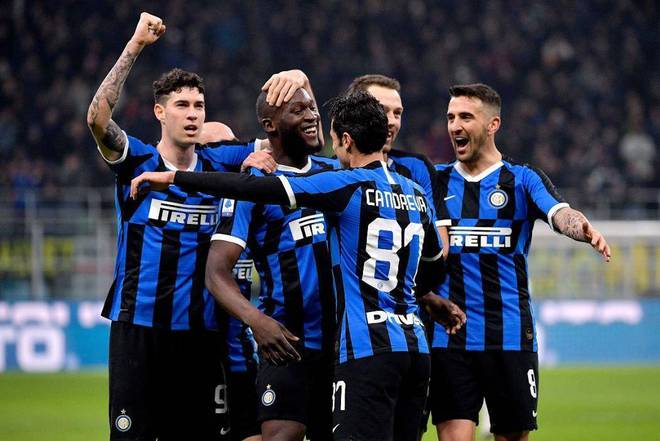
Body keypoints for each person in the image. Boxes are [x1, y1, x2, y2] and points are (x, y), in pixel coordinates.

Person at [130, 91, 466, 441]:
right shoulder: (415, 193)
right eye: (301, 110)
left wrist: (174, 178)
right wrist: (415, 294)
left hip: (358, 347)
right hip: (397, 346)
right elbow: (432, 266)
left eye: (326, 126)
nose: (314, 119)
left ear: (346, 141)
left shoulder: (340, 181)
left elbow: (252, 188)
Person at [86, 12, 273, 440]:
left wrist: (293, 82)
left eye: (199, 106)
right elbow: (97, 119)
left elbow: (283, 143)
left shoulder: (219, 161)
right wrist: (135, 44)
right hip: (139, 329)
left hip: (200, 335)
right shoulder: (138, 161)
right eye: (181, 106)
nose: (192, 115)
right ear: (159, 112)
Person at [430, 83, 611, 441]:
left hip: (510, 336)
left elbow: (559, 213)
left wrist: (580, 227)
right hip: (449, 337)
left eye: (465, 117)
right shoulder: (435, 181)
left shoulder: (523, 179)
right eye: (450, 118)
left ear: (493, 124)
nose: (455, 126)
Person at [206, 85, 338, 441]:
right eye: (298, 110)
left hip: (344, 345)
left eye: (312, 108)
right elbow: (216, 272)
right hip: (286, 342)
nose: (312, 116)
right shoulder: (253, 185)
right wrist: (258, 322)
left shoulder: (336, 171)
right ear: (270, 126)